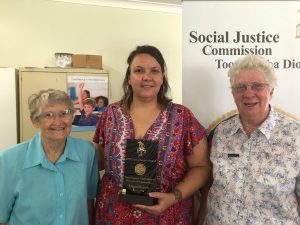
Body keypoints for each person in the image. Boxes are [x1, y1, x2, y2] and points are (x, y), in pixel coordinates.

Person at [93, 45, 211, 224]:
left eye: (154, 71)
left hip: (167, 215)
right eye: (139, 70)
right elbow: (98, 161)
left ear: (162, 78)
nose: (146, 77)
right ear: (129, 78)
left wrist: (174, 196)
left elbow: (202, 167)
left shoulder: (182, 116)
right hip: (113, 213)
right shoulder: (111, 114)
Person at [198, 54, 300, 224]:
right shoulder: (220, 133)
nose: (248, 93)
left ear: (271, 91)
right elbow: (208, 189)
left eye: (257, 86)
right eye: (240, 87)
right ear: (233, 93)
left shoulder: (295, 136)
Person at [0, 89, 99, 225]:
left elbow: (88, 201)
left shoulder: (87, 151)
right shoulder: (8, 160)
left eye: (64, 113)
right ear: (35, 121)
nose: (58, 121)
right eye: (48, 115)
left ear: (72, 117)